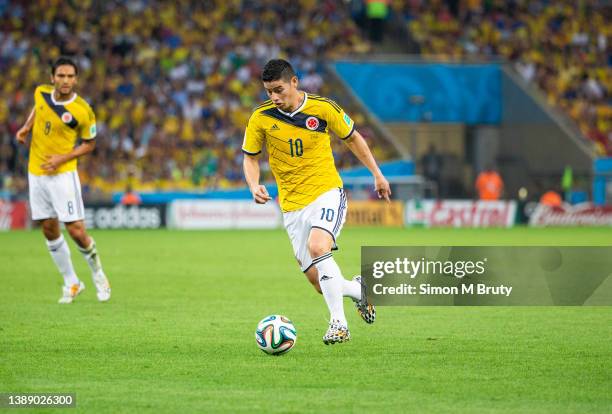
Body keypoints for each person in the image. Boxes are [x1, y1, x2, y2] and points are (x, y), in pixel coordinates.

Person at [242, 59, 391, 345]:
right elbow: (250, 156)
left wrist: (377, 174)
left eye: (279, 89)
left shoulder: (324, 109)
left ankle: (339, 324)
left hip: (326, 191)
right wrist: (253, 184)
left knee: (319, 246)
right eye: (268, 92)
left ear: (294, 82)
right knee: (318, 282)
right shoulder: (260, 117)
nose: (274, 97)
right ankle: (359, 291)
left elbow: (353, 138)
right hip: (292, 206)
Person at [15, 57, 111, 304]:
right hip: (36, 173)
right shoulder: (41, 92)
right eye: (61, 76)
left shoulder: (82, 111)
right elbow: (38, 108)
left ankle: (99, 274)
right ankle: (71, 282)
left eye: (70, 76)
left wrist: (62, 158)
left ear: (76, 79)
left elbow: (89, 144)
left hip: (63, 174)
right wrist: (26, 127)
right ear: (52, 78)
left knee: (76, 230)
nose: (65, 80)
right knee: (48, 228)